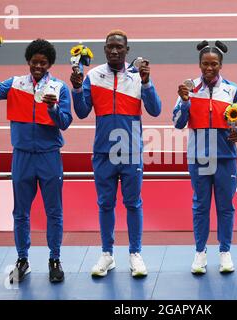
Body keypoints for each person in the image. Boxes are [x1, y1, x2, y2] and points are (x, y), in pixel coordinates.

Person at [0, 39, 72, 283]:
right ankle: (22, 260)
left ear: (49, 64)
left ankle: (55, 259)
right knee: (20, 213)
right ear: (28, 61)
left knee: (54, 212)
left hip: (49, 157)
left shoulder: (59, 88)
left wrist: (52, 110)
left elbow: (65, 122)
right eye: (34, 61)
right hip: (22, 157)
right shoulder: (14, 84)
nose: (38, 66)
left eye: (43, 62)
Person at [70, 29, 161, 277]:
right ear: (104, 49)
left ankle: (135, 255)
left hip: (131, 152)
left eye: (119, 47)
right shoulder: (94, 76)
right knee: (105, 204)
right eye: (110, 46)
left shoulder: (137, 76)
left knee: (133, 204)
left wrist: (146, 82)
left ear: (127, 50)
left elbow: (155, 110)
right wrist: (77, 90)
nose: (114, 50)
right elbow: (81, 112)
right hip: (103, 153)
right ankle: (107, 255)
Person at [173, 40, 237, 274]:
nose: (209, 68)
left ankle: (225, 252)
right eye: (205, 64)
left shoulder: (233, 90)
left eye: (214, 64)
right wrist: (185, 102)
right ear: (199, 64)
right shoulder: (188, 89)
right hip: (199, 158)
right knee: (201, 206)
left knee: (225, 207)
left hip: (226, 158)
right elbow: (177, 123)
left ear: (221, 65)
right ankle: (200, 252)